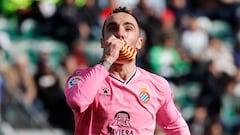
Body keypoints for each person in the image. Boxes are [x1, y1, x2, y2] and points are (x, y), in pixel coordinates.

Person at [64, 6, 191, 135]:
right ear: (103, 42)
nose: (120, 34)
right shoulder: (83, 77)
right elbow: (78, 102)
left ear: (139, 43)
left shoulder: (157, 85)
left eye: (128, 28)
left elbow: (177, 127)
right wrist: (107, 60)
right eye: (112, 28)